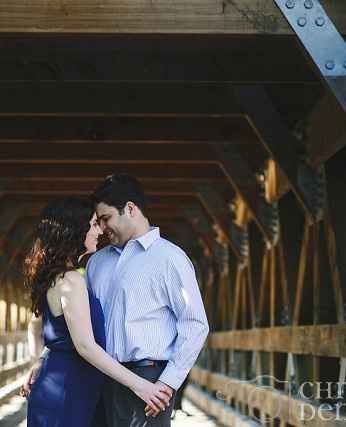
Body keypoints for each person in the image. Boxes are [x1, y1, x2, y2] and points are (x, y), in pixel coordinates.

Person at [24, 175, 210, 427]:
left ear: (130, 209)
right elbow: (73, 324)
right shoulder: (96, 263)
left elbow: (195, 325)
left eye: (105, 219)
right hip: (98, 379)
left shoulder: (170, 259)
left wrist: (167, 383)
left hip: (148, 378)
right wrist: (43, 358)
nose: (101, 228)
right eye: (96, 222)